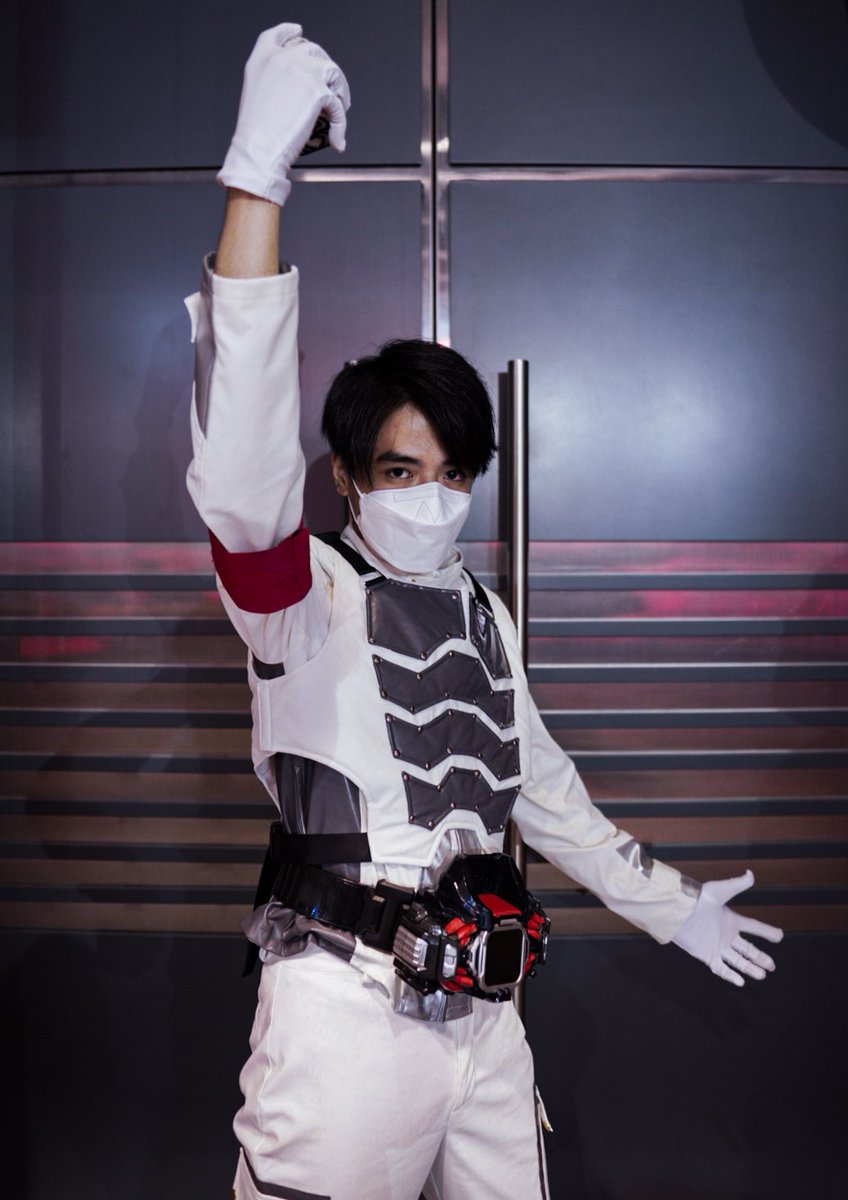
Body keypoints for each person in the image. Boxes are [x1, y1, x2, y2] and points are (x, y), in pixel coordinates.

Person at [185, 23, 784, 1200]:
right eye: (399, 470)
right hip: (344, 1017)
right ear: (347, 474)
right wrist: (255, 187)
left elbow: (542, 791)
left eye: (453, 471)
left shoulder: (480, 611)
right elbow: (241, 482)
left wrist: (668, 909)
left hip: (483, 1007)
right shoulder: (300, 593)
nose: (432, 495)